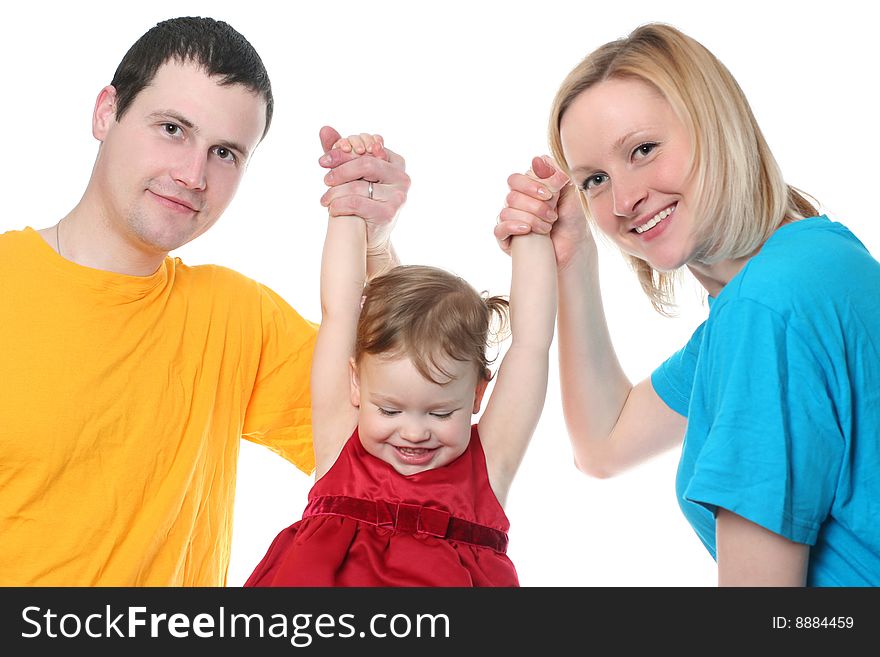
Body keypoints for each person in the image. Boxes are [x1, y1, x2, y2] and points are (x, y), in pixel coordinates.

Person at [0, 17, 410, 586]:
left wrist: (376, 246)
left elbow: (404, 441)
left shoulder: (234, 316)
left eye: (225, 153)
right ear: (105, 112)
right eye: (172, 128)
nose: (193, 174)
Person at [495, 23, 880, 586]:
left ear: (715, 126)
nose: (623, 200)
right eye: (595, 180)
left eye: (644, 150)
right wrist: (574, 256)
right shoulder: (811, 258)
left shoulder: (765, 313)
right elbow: (605, 443)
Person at [245, 133, 557, 586]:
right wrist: (349, 203)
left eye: (440, 411)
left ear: (476, 393)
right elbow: (339, 309)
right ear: (356, 386)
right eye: (389, 410)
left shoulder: (488, 465)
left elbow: (531, 343)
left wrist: (532, 228)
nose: (414, 432)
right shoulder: (341, 442)